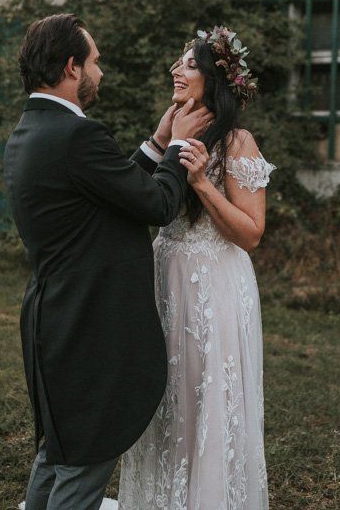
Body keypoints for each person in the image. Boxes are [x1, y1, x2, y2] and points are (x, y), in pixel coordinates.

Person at [4, 13, 213, 510]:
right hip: (88, 325)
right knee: (82, 465)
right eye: (95, 62)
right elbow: (158, 204)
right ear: (72, 67)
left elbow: (111, 189)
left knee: (60, 453)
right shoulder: (76, 135)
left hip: (53, 319)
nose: (102, 72)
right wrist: (180, 145)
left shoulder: (32, 130)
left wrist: (159, 143)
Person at [118, 27, 275, 510]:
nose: (175, 70)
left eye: (187, 63)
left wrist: (203, 185)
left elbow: (250, 233)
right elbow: (134, 198)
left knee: (204, 400)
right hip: (166, 278)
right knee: (164, 401)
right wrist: (163, 141)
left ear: (213, 79)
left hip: (214, 287)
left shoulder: (237, 142)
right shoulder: (177, 130)